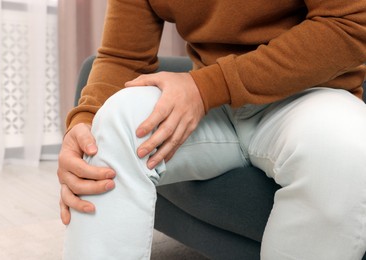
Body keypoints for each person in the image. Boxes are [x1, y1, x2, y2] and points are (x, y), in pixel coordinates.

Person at [57, 1, 366, 259]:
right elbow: (123, 56)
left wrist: (208, 87)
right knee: (111, 126)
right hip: (208, 106)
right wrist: (84, 122)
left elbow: (349, 25)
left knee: (347, 149)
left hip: (309, 95)